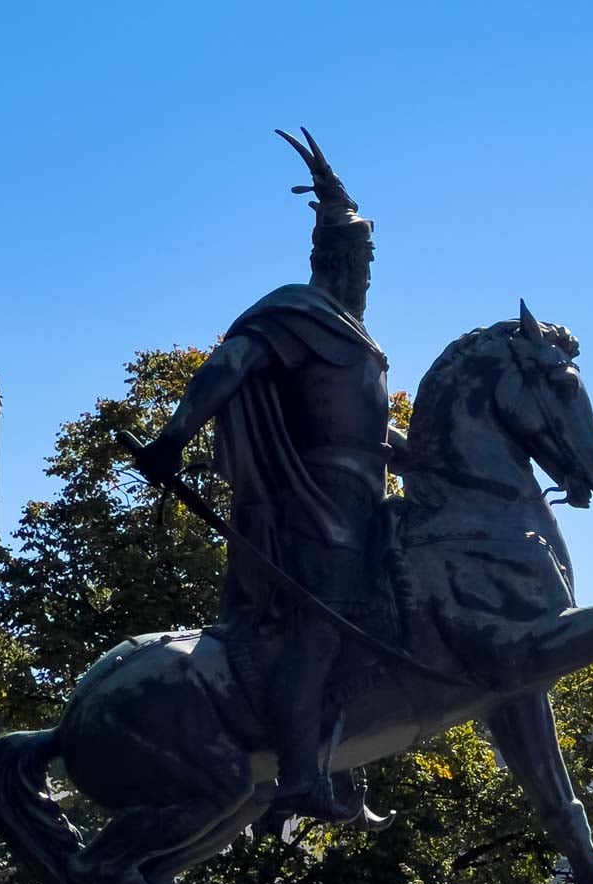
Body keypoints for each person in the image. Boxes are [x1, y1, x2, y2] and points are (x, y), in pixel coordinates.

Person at [142, 129, 403, 821]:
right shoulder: (298, 311)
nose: (369, 274)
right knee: (319, 629)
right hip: (310, 505)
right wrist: (174, 436)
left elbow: (362, 424)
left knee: (394, 619)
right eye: (365, 260)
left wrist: (417, 451)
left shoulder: (353, 334)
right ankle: (297, 776)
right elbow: (229, 366)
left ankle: (343, 758)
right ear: (338, 259)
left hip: (365, 503)